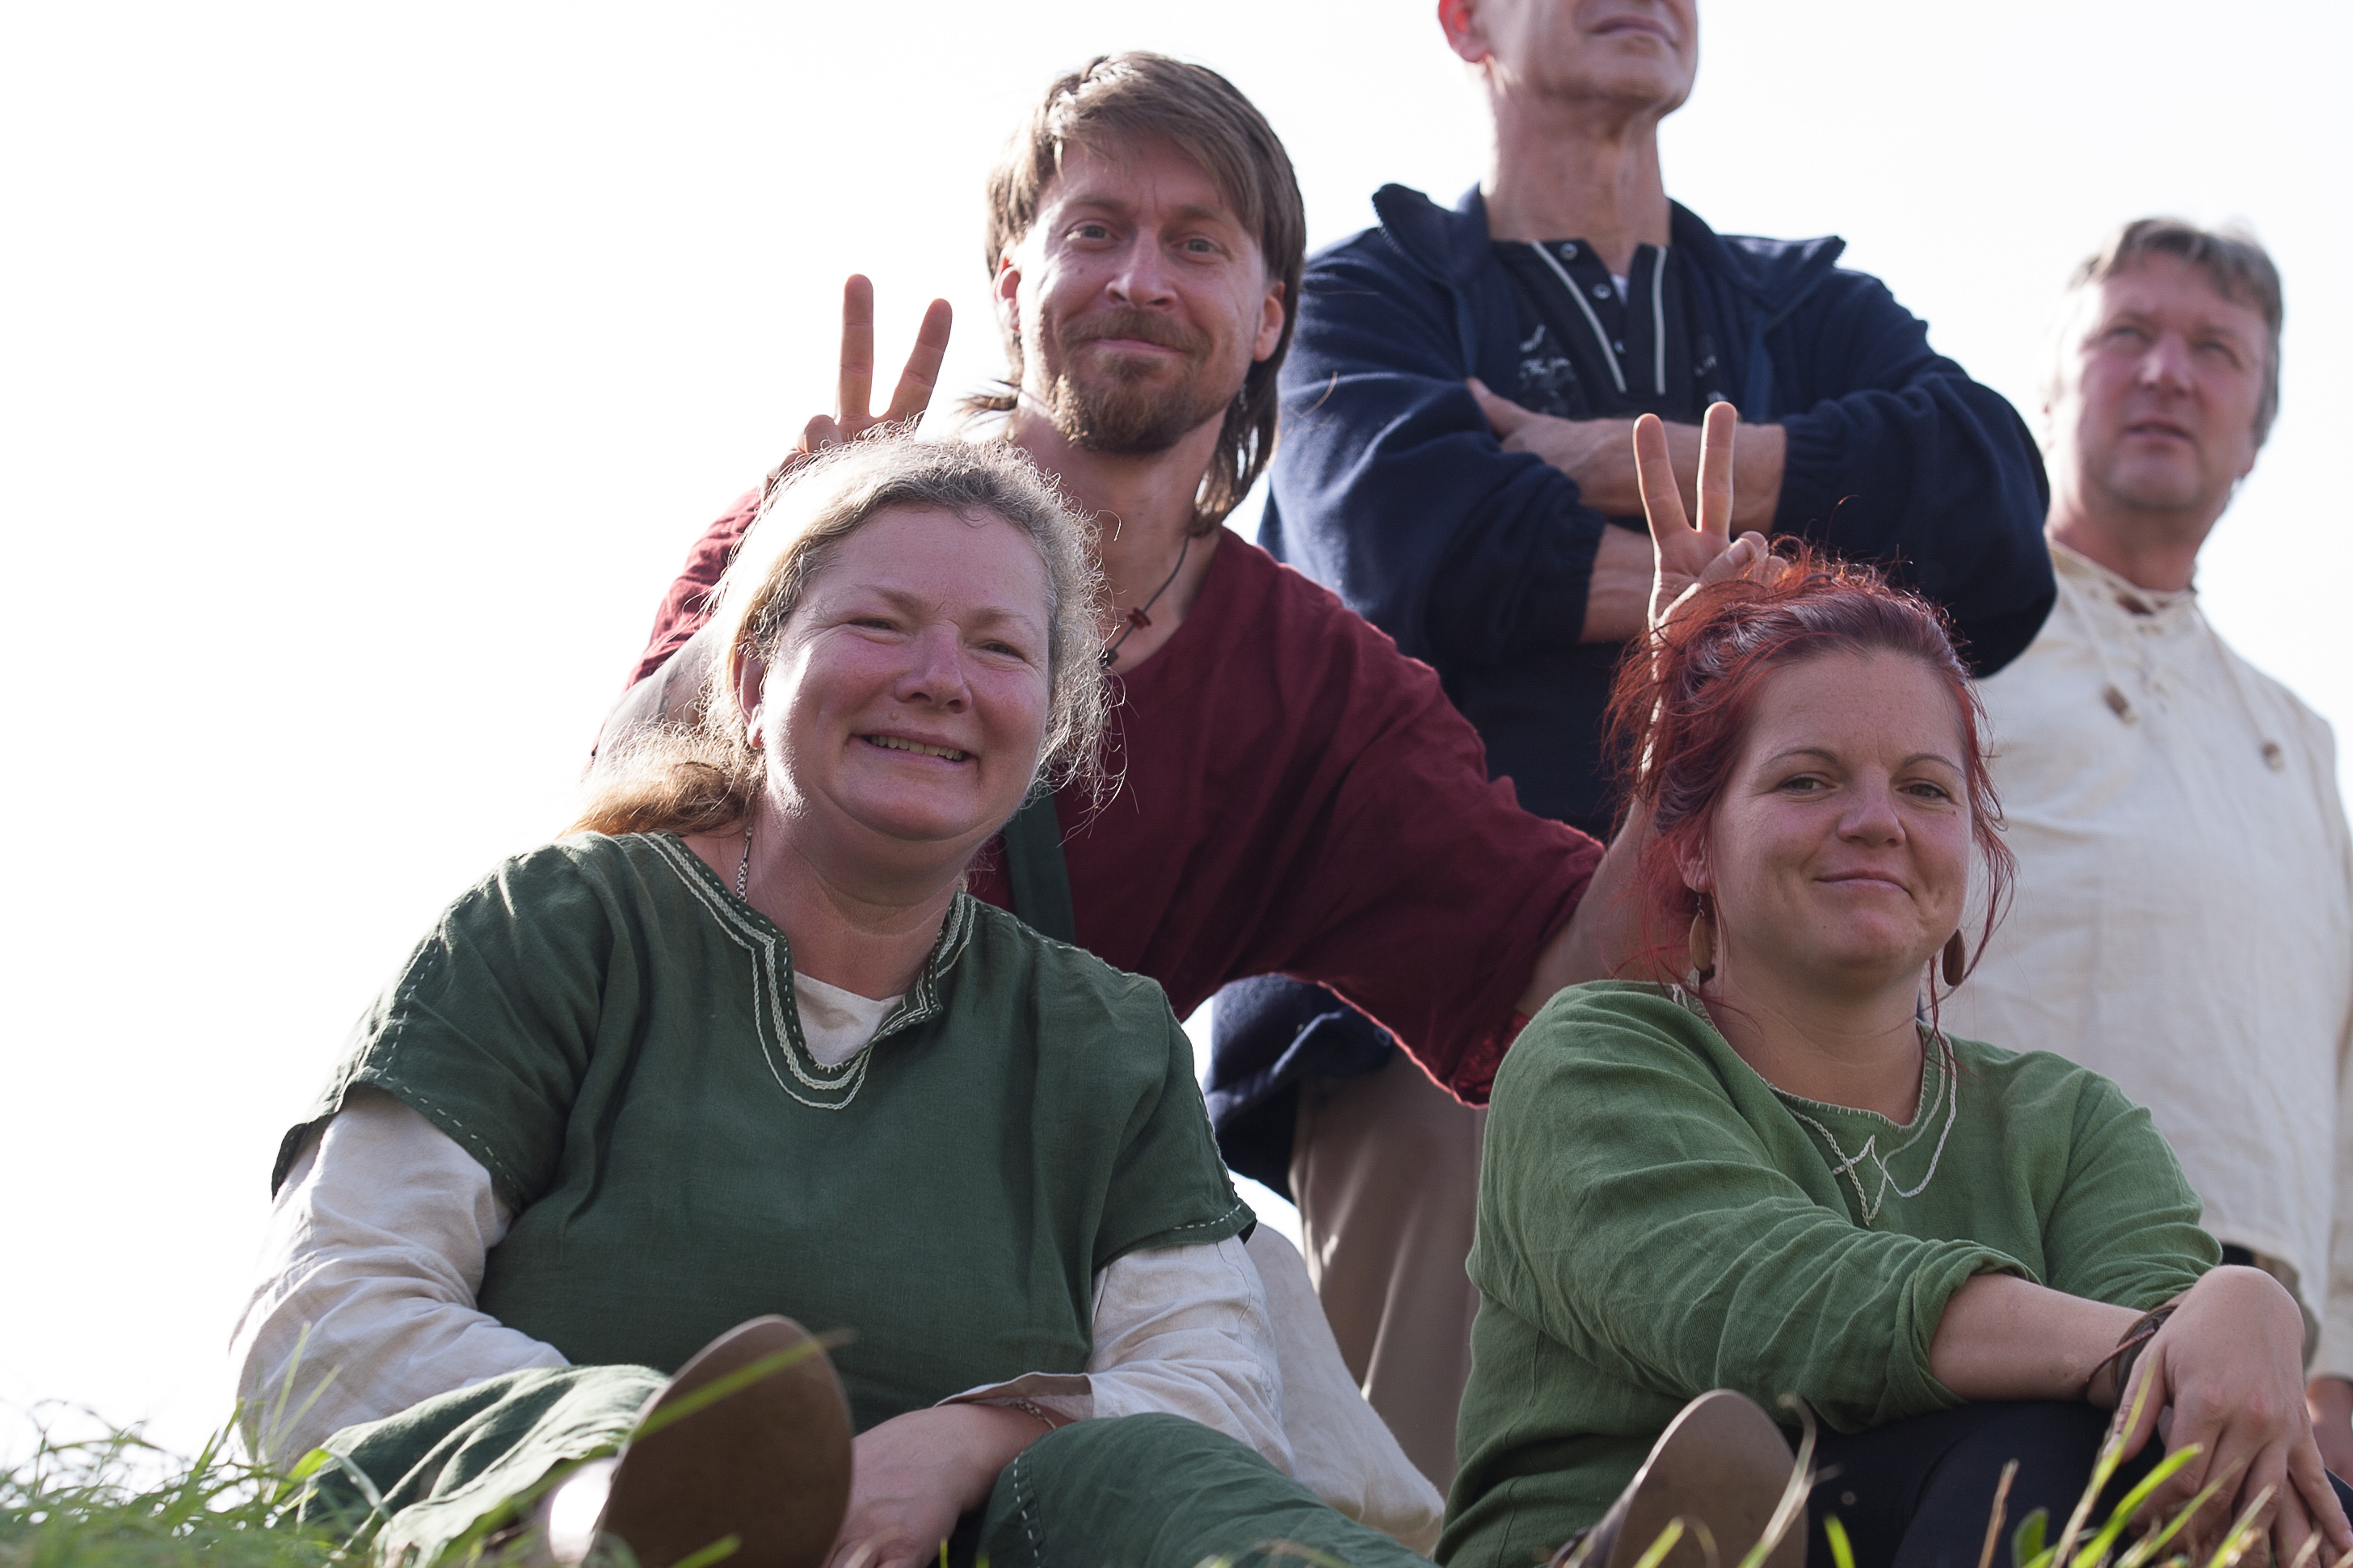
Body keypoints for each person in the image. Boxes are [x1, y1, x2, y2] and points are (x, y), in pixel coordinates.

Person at [603, 53, 1617, 1485]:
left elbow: (1551, 961)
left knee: (1322, 1414)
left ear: (1269, 316)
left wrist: (1710, 743)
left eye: (1197, 243)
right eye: (1095, 230)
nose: (1140, 278)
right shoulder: (826, 515)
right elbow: (612, 812)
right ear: (1012, 282)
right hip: (731, 1179)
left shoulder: (1310, 688)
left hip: (1041, 1235)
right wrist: (788, 583)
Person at [230, 436, 1445, 1568]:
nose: (939, 680)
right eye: (878, 623)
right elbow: (332, 1313)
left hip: (971, 1545)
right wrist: (647, 1452)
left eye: (999, 648)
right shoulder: (559, 929)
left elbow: (1210, 1387)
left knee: (1141, 1470)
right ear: (751, 673)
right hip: (571, 1528)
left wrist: (967, 1441)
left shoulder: (1103, 1038)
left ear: (1051, 719)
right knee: (613, 1477)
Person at [1441, 414, 2353, 1568]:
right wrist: (2159, 1341)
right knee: (2042, 1445)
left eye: (1925, 789)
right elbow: (1778, 1305)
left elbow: (2189, 1410)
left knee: (2218, 1481)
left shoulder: (2070, 1125)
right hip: (1608, 1524)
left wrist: (2238, 1316)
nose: (1875, 821)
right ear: (1694, 845)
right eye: (1808, 779)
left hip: (1955, 1515)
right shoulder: (1594, 1059)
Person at [1947, 221, 2353, 1477]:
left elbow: (2341, 1062)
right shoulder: (1929, 643)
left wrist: (2339, 1369)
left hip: (2259, 1345)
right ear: (2053, 387)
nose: (2168, 372)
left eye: (2216, 350)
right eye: (2127, 334)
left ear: (2257, 430)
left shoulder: (2300, 737)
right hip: (1990, 1276)